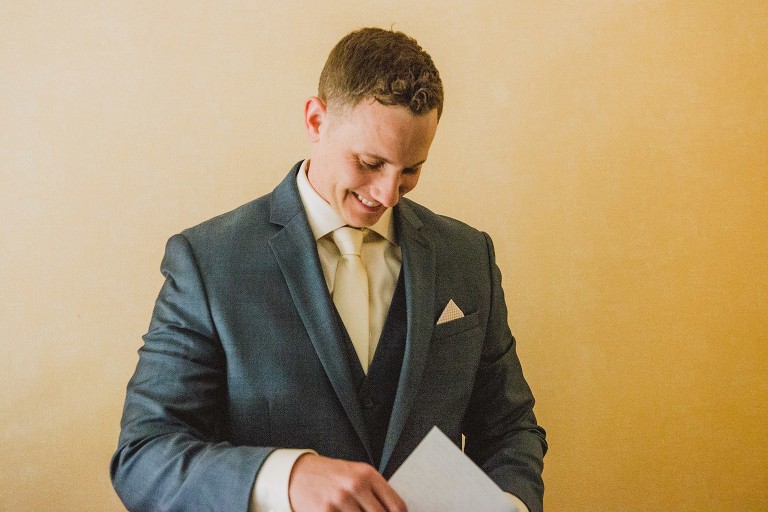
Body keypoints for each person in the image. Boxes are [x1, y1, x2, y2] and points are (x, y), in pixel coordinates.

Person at [111, 27, 547, 512]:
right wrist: (287, 477)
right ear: (316, 120)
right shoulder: (208, 263)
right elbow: (144, 455)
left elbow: (510, 428)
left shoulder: (468, 256)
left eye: (411, 170)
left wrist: (510, 504)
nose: (386, 194)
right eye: (369, 162)